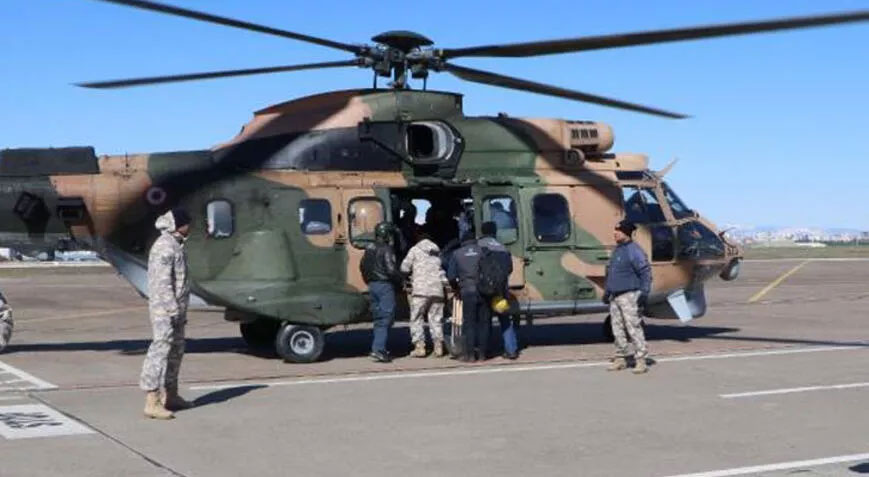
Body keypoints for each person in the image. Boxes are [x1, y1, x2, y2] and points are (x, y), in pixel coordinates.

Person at [140, 207, 193, 420]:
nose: (190, 227)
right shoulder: (164, 246)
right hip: (165, 310)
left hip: (176, 310)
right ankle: (152, 400)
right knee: (160, 351)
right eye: (187, 223)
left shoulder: (176, 245)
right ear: (178, 225)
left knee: (176, 350)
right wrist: (172, 309)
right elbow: (162, 283)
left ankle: (171, 395)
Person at [603, 220, 652, 374]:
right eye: (615, 230)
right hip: (615, 296)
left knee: (633, 328)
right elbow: (612, 273)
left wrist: (644, 292)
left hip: (629, 295)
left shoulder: (634, 251)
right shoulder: (617, 250)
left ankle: (641, 360)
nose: (615, 233)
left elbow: (645, 272)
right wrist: (607, 291)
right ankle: (620, 358)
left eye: (619, 231)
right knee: (617, 328)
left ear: (627, 233)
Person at [400, 231, 449, 358]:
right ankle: (438, 346)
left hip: (420, 290)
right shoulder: (436, 253)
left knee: (416, 318)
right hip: (437, 290)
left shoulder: (414, 250)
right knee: (436, 319)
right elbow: (442, 271)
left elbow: (404, 268)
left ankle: (419, 347)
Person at [360, 222, 402, 363]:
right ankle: (379, 349)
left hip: (372, 285)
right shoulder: (386, 249)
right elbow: (391, 270)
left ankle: (378, 347)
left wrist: (369, 281)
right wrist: (401, 280)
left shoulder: (369, 248)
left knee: (378, 318)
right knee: (386, 318)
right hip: (384, 286)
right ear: (386, 235)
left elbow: (362, 267)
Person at [447, 229, 489, 362]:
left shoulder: (457, 254)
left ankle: (470, 355)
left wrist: (456, 289)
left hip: (466, 290)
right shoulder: (483, 251)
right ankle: (482, 354)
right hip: (483, 290)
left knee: (469, 323)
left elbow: (451, 276)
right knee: (483, 323)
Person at [478, 222, 518, 360]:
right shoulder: (503, 248)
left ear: (482, 231)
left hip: (484, 291)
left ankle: (485, 351)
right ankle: (511, 350)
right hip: (501, 291)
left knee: (485, 321)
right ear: (495, 232)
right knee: (505, 320)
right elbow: (510, 269)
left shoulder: (479, 246)